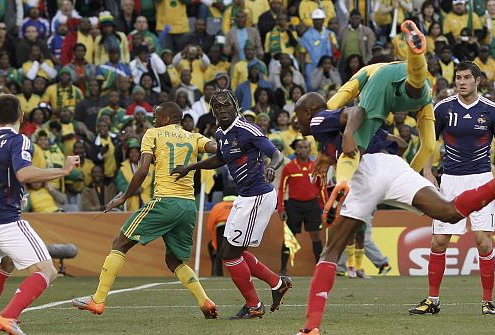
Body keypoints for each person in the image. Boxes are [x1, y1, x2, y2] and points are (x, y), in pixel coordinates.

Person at [282, 91, 495, 335]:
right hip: (394, 166)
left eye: (297, 115)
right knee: (449, 212)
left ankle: (311, 329)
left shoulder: (318, 119)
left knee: (331, 251)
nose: (296, 122)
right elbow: (399, 143)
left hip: (367, 172)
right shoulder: (329, 138)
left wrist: (347, 137)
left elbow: (356, 111)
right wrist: (335, 152)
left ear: (307, 112)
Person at [72, 102, 219, 319]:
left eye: (156, 116)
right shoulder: (194, 137)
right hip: (188, 206)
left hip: (165, 201)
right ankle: (205, 301)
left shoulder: (153, 134)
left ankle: (98, 300)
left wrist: (124, 197)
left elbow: (142, 171)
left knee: (120, 242)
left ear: (166, 119)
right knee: (174, 261)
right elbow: (217, 149)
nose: (153, 120)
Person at [0, 95, 80, 335]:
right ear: (21, 116)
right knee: (47, 270)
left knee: (6, 263)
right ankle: (9, 316)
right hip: (3, 221)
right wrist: (63, 170)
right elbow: (24, 174)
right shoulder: (19, 139)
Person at [171, 90, 292, 319]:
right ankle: (277, 283)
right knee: (230, 250)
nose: (222, 110)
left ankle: (254, 304)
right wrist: (190, 167)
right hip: (244, 197)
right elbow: (220, 159)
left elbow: (276, 155)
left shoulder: (247, 129)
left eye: (226, 105)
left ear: (235, 106)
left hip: (258, 195)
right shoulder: (220, 133)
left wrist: (270, 167)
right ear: (213, 111)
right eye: (217, 107)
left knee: (229, 253)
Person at [409, 61, 495, 316]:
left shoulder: (492, 111)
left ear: (478, 80)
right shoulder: (443, 108)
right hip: (450, 182)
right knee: (439, 241)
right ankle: (433, 300)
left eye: (466, 77)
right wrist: (427, 172)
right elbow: (428, 142)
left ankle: (487, 301)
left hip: (482, 181)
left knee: (483, 243)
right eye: (458, 78)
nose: (462, 82)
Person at [321, 21, 439, 226]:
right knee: (416, 86)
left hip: (379, 86)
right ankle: (416, 55)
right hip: (421, 84)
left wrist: (325, 117)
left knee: (355, 148)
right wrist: (410, 176)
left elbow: (341, 96)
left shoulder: (370, 69)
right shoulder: (401, 68)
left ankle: (343, 182)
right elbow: (428, 146)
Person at [277, 138, 323, 267]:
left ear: (310, 149)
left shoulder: (316, 167)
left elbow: (321, 188)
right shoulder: (289, 167)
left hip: (312, 205)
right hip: (294, 205)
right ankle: (283, 269)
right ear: (296, 150)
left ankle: (319, 268)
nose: (303, 150)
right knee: (290, 237)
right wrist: (281, 208)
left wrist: (324, 206)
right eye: (300, 147)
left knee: (316, 236)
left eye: (306, 147)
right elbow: (282, 189)